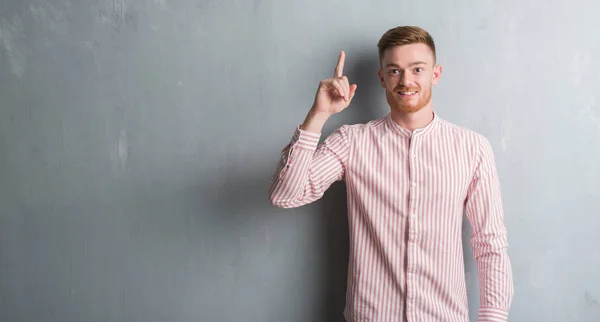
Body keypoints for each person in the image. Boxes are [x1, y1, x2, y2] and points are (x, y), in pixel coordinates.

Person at [268, 26, 514, 322]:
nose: (406, 81)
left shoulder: (473, 149)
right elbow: (285, 195)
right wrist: (318, 115)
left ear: (435, 74)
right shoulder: (351, 142)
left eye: (417, 69)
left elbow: (490, 243)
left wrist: (493, 318)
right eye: (395, 71)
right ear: (382, 78)